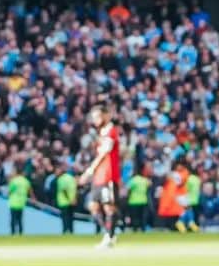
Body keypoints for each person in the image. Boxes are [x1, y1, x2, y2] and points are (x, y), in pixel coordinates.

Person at [80, 105, 121, 248]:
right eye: (93, 117)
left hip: (109, 174)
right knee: (93, 206)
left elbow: (104, 153)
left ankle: (109, 237)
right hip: (99, 176)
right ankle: (110, 233)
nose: (95, 120)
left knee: (109, 207)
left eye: (97, 116)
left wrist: (89, 171)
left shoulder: (111, 131)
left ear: (106, 115)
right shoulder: (101, 133)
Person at [7, 169, 31, 235]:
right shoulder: (25, 181)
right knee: (20, 220)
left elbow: (9, 191)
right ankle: (21, 234)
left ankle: (13, 233)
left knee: (13, 220)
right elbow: (30, 191)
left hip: (13, 203)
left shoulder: (14, 181)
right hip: (22, 203)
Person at [126, 167, 151, 232]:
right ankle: (143, 229)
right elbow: (150, 185)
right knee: (143, 217)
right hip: (143, 200)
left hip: (133, 201)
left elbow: (127, 189)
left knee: (135, 217)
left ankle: (135, 229)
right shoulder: (144, 180)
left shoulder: (133, 180)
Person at [56, 162, 78, 234]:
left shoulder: (61, 179)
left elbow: (64, 190)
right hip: (72, 201)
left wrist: (69, 199)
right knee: (71, 217)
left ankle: (65, 231)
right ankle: (71, 231)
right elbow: (75, 189)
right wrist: (74, 199)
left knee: (64, 218)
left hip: (64, 201)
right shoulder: (71, 178)